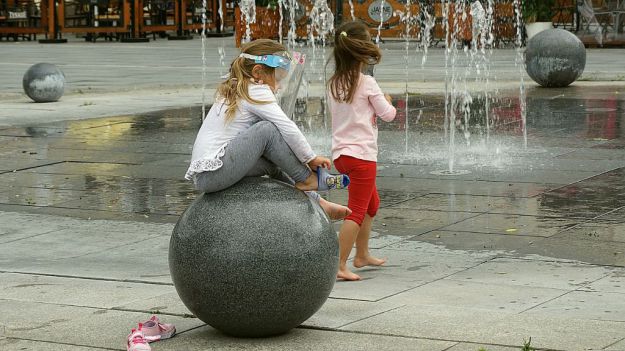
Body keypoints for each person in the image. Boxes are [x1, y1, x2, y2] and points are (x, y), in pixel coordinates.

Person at [185, 39, 351, 220]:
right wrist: (310, 158)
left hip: (209, 176)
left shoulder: (240, 87)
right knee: (267, 130)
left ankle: (319, 203)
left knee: (274, 161)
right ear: (258, 73)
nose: (279, 86)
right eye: (278, 78)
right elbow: (286, 125)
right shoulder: (255, 89)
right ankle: (306, 178)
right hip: (213, 172)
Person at [328, 21, 397, 281]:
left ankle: (362, 254)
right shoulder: (366, 83)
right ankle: (340, 264)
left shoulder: (334, 83)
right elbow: (388, 115)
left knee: (372, 203)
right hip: (362, 156)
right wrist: (388, 101)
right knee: (356, 211)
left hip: (342, 155)